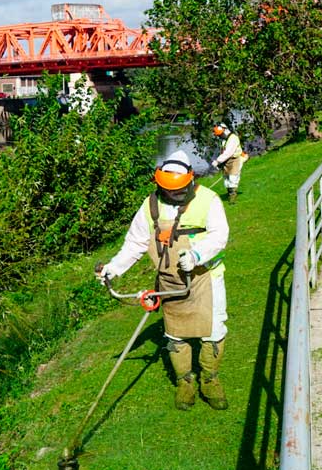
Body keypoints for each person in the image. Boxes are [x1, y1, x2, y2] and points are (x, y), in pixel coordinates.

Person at [98, 150, 230, 411]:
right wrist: (114, 269)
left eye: (179, 189)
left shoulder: (209, 200)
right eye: (168, 189)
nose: (174, 194)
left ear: (191, 180)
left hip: (206, 277)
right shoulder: (150, 206)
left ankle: (210, 380)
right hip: (170, 281)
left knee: (214, 330)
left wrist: (197, 255)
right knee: (175, 335)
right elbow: (135, 243)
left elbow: (219, 236)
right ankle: (185, 382)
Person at [210, 123, 243, 204]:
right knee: (226, 179)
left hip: (234, 160)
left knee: (233, 178)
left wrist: (218, 161)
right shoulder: (224, 140)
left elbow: (228, 152)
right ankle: (229, 193)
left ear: (225, 130)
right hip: (226, 161)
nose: (220, 136)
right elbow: (223, 152)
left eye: (220, 134)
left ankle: (232, 197)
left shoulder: (233, 139)